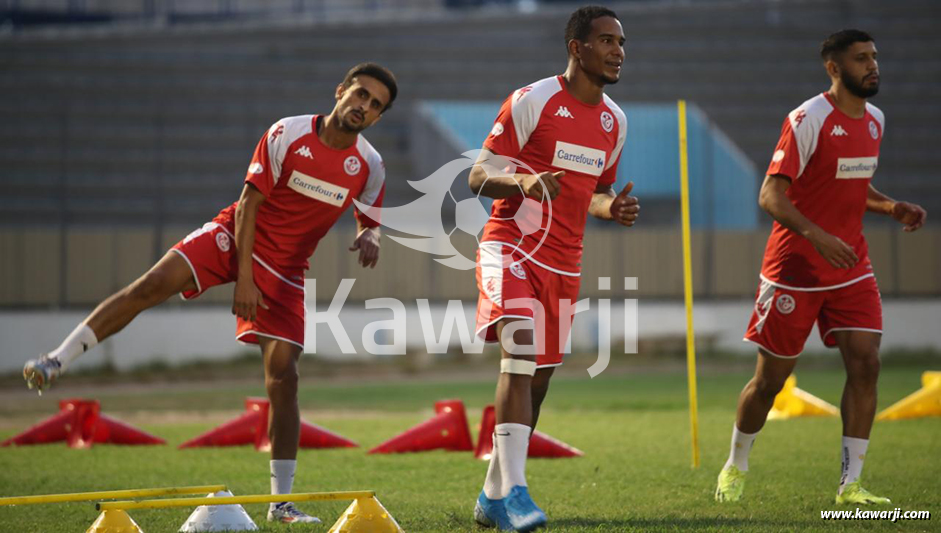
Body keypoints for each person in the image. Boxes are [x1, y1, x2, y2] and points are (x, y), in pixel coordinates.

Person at [22, 62, 398, 524]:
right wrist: (243, 278)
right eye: (360, 94)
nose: (364, 106)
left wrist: (370, 236)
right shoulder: (287, 133)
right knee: (150, 285)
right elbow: (248, 204)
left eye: (375, 105)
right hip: (234, 237)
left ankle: (281, 504)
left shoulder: (371, 165)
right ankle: (55, 360)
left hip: (285, 272)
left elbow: (369, 217)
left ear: (379, 117)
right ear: (340, 91)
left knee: (284, 379)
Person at [714, 30, 927, 506]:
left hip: (850, 265)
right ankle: (736, 464)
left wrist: (891, 208)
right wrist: (817, 236)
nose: (873, 66)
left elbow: (850, 186)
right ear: (834, 69)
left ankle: (850, 485)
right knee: (770, 382)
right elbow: (771, 194)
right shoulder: (807, 119)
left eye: (874, 57)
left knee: (867, 363)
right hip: (795, 269)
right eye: (861, 59)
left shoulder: (875, 120)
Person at [467, 6, 639, 531]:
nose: (617, 51)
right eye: (606, 40)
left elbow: (597, 194)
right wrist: (521, 182)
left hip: (565, 263)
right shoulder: (533, 100)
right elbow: (478, 175)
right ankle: (517, 493)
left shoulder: (616, 122)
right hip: (510, 247)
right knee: (519, 355)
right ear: (576, 47)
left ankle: (493, 496)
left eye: (621, 42)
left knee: (537, 382)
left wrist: (613, 209)